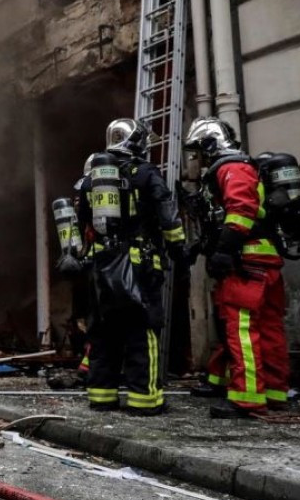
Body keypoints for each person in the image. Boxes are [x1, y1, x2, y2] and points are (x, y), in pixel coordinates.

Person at [77, 118, 186, 416]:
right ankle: (145, 400)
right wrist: (178, 250)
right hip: (138, 264)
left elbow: (82, 221)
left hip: (100, 267)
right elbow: (167, 214)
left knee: (103, 333)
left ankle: (101, 397)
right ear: (136, 142)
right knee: (142, 330)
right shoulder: (146, 173)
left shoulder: (91, 179)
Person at [183, 117, 289, 418]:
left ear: (210, 145)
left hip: (246, 263)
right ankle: (273, 392)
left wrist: (224, 251)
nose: (198, 159)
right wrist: (201, 247)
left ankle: (247, 398)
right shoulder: (238, 168)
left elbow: (241, 212)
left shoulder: (231, 168)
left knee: (242, 329)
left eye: (199, 151)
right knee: (268, 328)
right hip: (262, 260)